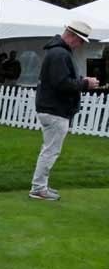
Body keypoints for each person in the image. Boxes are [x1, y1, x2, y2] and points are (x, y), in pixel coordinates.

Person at [29, 20, 99, 201]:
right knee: (51, 151)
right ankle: (38, 188)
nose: (80, 44)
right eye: (81, 40)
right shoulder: (60, 54)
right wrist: (85, 83)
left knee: (49, 149)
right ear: (73, 36)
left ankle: (40, 186)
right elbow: (62, 84)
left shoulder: (57, 52)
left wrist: (82, 80)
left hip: (51, 108)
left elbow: (61, 79)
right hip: (55, 109)